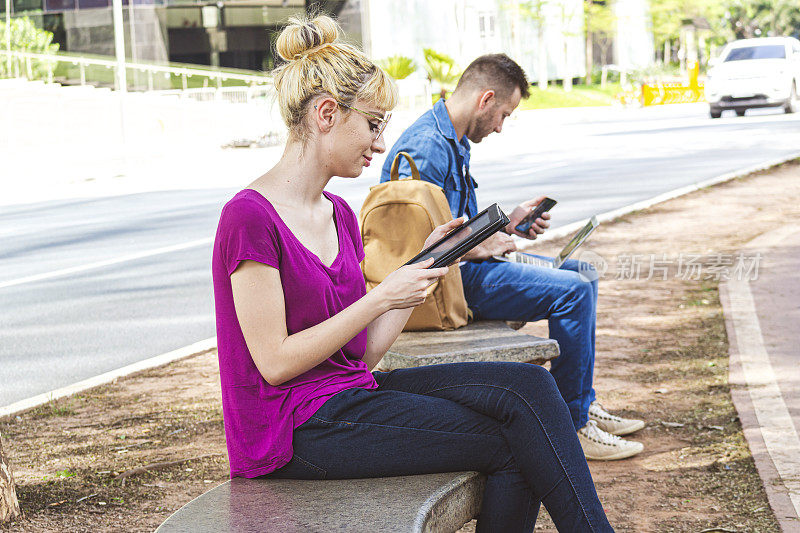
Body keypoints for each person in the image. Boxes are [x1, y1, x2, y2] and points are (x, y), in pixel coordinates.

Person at [211, 15, 614, 532]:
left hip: (348, 395)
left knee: (528, 387)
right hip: (290, 433)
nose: (381, 145)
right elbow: (274, 363)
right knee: (516, 442)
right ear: (327, 113)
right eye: (375, 124)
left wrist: (428, 263)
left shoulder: (338, 214)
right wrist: (380, 298)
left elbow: (364, 354)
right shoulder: (249, 217)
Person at [381, 54, 645, 461]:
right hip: (448, 284)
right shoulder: (426, 147)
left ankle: (582, 399)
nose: (501, 126)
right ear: (486, 99)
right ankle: (573, 424)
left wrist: (507, 226)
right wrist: (483, 246)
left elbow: (453, 219)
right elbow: (415, 240)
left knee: (583, 273)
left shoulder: (450, 139)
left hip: (469, 268)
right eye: (503, 114)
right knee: (572, 292)